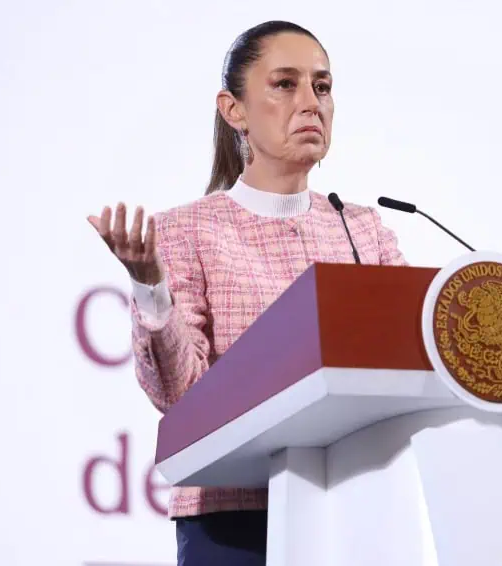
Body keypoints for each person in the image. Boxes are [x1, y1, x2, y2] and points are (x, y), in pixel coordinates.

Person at [88, 20, 407, 566]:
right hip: (233, 519)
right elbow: (179, 394)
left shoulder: (363, 230)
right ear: (234, 110)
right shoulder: (186, 232)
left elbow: (410, 352)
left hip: (356, 507)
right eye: (285, 84)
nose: (310, 101)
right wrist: (150, 286)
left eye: (322, 86)